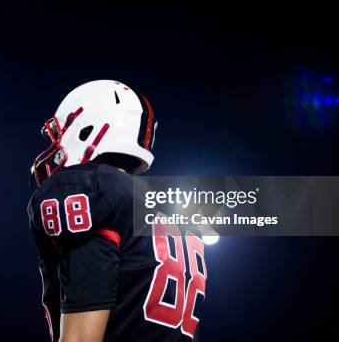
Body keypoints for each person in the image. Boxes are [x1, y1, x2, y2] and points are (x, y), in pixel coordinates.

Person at [28, 80, 206, 341]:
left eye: (61, 133)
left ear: (88, 130)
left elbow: (82, 338)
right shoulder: (172, 214)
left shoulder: (91, 189)